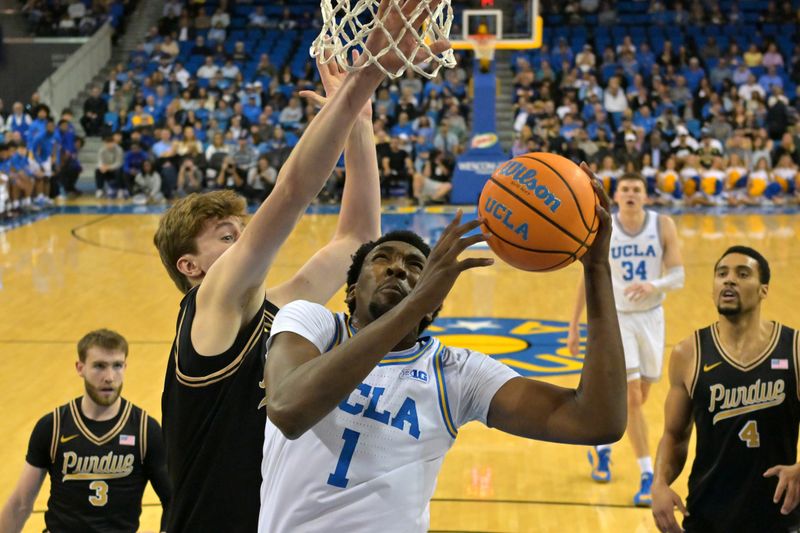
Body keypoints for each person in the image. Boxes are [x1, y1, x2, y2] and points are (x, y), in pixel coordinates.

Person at [152, 4, 448, 528]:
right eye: (226, 237)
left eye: (242, 232)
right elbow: (290, 193)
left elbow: (357, 239)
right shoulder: (210, 308)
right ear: (191, 266)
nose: (244, 243)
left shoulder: (275, 311)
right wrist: (366, 75)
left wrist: (358, 125)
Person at [259, 177, 627, 531]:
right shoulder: (313, 323)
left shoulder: (457, 374)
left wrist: (597, 269)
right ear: (352, 291)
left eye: (417, 267)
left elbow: (597, 421)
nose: (398, 267)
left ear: (433, 308)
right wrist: (416, 300)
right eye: (381, 258)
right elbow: (289, 409)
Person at [652, 246, 800, 533]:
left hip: (780, 516)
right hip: (708, 515)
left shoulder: (794, 349)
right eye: (722, 274)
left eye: (742, 274)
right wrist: (659, 482)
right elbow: (674, 435)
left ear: (763, 290)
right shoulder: (688, 353)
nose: (729, 280)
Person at [567, 172, 684, 506]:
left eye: (637, 189)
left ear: (646, 196)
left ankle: (602, 445)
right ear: (616, 195)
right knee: (632, 397)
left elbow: (678, 275)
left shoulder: (662, 226)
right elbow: (586, 278)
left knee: (640, 397)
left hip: (651, 318)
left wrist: (653, 285)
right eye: (626, 189)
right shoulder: (604, 228)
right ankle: (647, 474)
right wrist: (574, 325)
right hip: (616, 318)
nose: (631, 193)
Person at [0, 329, 170, 532]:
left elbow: (174, 500)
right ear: (80, 368)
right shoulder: (53, 426)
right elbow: (20, 503)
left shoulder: (145, 431)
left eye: (117, 366)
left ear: (125, 367)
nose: (109, 377)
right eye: (99, 366)